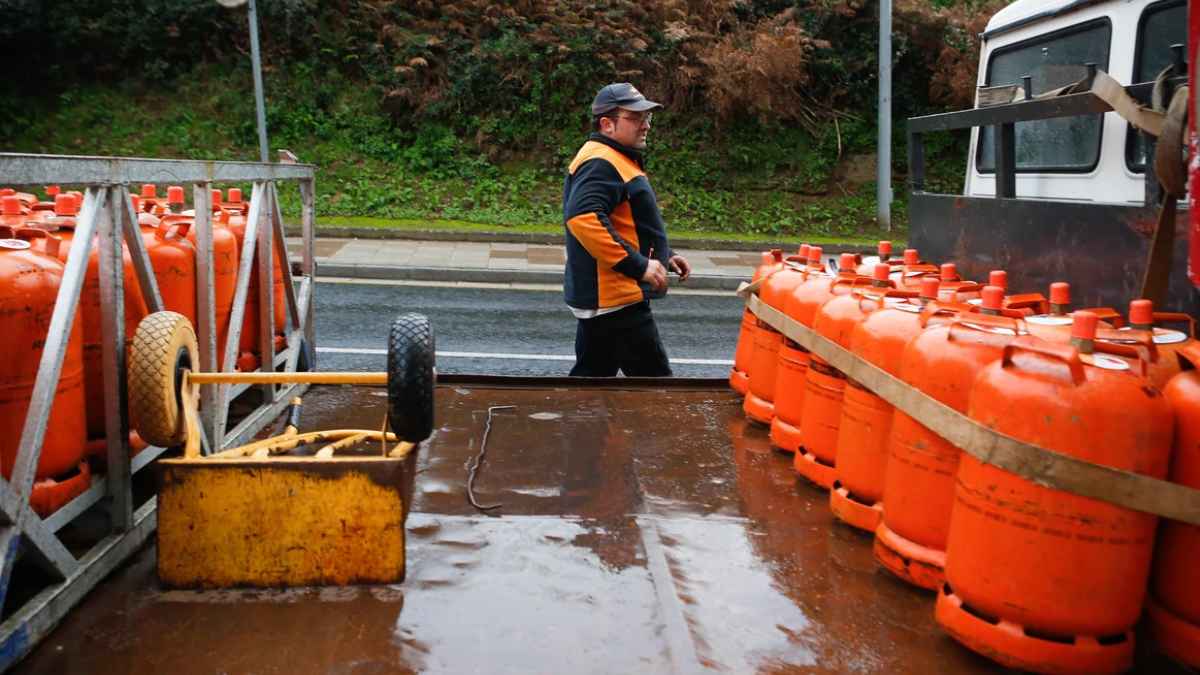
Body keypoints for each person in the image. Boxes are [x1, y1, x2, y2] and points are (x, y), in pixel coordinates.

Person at [561, 82, 691, 376]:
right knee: (654, 389)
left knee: (592, 384)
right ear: (607, 124)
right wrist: (639, 266)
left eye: (647, 117)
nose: (645, 125)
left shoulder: (613, 157)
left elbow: (626, 221)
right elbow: (584, 218)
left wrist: (664, 255)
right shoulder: (601, 162)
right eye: (635, 118)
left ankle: (574, 419)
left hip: (609, 299)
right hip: (617, 299)